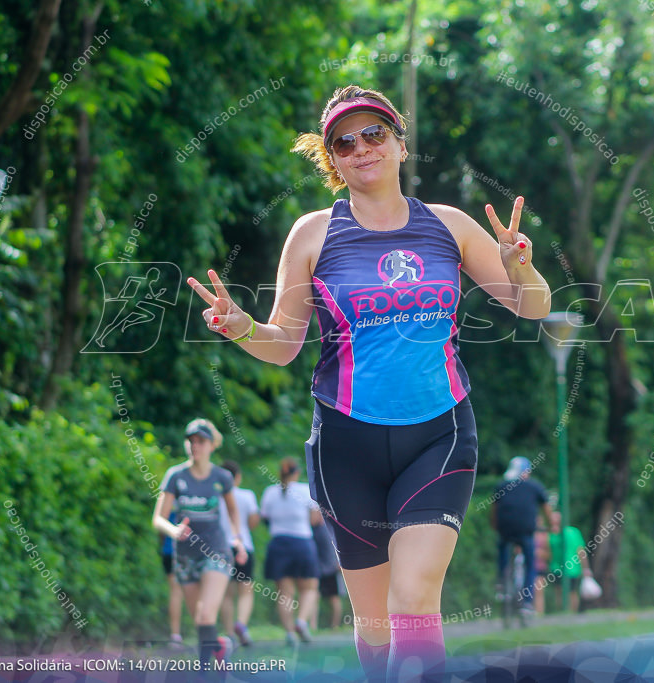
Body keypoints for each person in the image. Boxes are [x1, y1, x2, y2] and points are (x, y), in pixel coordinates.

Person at [187, 84, 551, 681]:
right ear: (332, 160)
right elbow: (282, 345)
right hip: (345, 445)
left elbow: (532, 306)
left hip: (439, 436)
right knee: (375, 623)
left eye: (375, 134)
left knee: (413, 599)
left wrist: (522, 267)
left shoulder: (450, 226)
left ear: (400, 144)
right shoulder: (311, 234)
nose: (362, 148)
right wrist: (242, 327)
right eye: (344, 142)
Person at [152, 419, 248, 673]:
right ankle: (219, 646)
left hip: (216, 551)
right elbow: (158, 518)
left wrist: (237, 538)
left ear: (212, 445)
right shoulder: (175, 475)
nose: (195, 446)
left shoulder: (221, 477)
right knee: (200, 620)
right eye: (191, 441)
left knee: (206, 616)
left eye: (201, 441)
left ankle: (204, 671)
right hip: (185, 555)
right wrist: (174, 530)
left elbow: (233, 512)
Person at [260, 456, 322, 646]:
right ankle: (302, 621)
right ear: (297, 473)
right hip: (302, 543)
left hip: (278, 544)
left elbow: (264, 517)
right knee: (309, 588)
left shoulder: (270, 492)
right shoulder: (305, 490)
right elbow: (315, 520)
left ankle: (289, 633)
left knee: (285, 593)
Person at [491, 456, 555, 614]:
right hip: (526, 530)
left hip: (505, 529)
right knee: (530, 563)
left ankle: (502, 582)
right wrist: (551, 525)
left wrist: (495, 526)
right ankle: (527, 602)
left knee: (503, 549)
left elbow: (494, 510)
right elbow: (547, 509)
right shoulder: (535, 487)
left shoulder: (502, 485)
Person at [218, 460, 260, 647]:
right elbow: (253, 522)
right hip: (243, 545)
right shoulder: (246, 495)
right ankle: (241, 624)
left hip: (219, 547)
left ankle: (229, 634)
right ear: (238, 477)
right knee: (245, 590)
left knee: (226, 594)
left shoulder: (215, 496)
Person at [546, 511, 589, 613]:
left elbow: (580, 551)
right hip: (557, 567)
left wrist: (585, 568)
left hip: (572, 567)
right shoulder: (550, 534)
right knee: (559, 591)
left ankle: (572, 612)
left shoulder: (573, 532)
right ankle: (562, 611)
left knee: (571, 592)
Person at [159, 508, 186, 648]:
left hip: (169, 549)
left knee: (175, 592)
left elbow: (161, 530)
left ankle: (175, 635)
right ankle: (204, 631)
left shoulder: (167, 501)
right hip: (189, 552)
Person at [312, 518, 343, 630]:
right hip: (322, 568)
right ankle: (313, 625)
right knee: (315, 595)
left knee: (333, 597)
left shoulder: (325, 529)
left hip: (330, 568)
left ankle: (334, 626)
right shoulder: (315, 529)